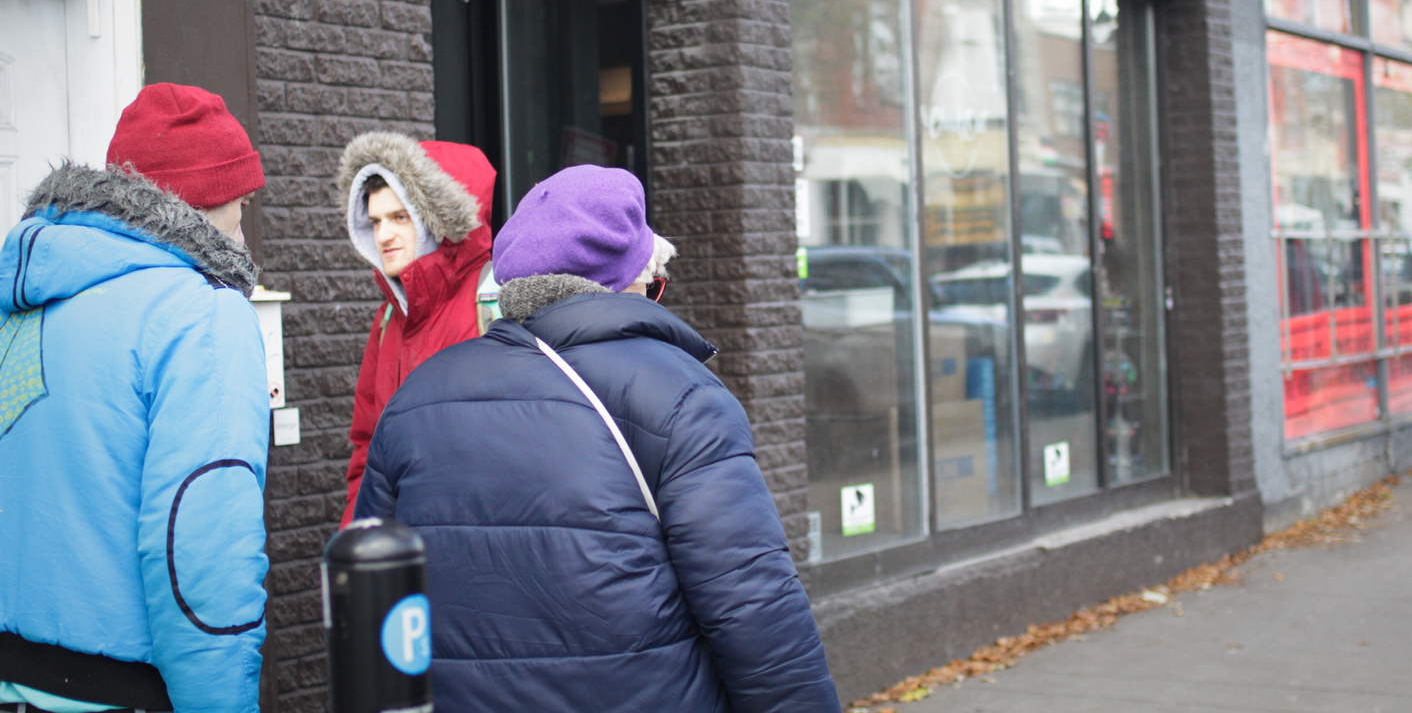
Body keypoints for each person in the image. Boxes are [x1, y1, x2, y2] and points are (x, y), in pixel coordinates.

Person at [354, 165, 841, 713]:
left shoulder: (417, 398)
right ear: (630, 279)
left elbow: (374, 601)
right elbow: (752, 605)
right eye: (651, 281)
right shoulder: (679, 394)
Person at [0, 84, 270, 713]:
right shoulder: (199, 314)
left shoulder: (22, 310)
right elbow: (202, 547)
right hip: (124, 689)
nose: (241, 225)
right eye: (240, 205)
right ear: (204, 205)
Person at [338, 132, 497, 526]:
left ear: (436, 218)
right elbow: (366, 448)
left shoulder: (495, 300)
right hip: (401, 550)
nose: (383, 235)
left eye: (399, 217)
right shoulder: (389, 317)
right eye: (374, 221)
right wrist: (358, 538)